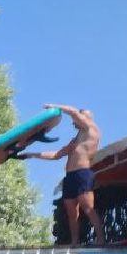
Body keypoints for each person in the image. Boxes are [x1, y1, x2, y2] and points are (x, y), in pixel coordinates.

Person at [22, 103, 105, 246]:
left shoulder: (91, 129)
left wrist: (53, 107)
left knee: (88, 208)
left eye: (81, 116)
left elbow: (72, 111)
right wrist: (31, 155)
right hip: (70, 177)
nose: (75, 120)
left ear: (87, 118)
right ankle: (74, 242)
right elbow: (57, 155)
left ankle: (101, 240)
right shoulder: (75, 140)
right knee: (72, 213)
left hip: (83, 174)